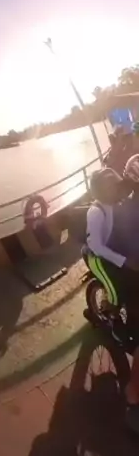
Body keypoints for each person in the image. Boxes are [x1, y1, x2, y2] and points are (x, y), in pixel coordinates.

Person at [85, 166, 139, 430]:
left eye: (115, 184)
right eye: (109, 185)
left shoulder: (117, 203)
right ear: (98, 190)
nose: (115, 188)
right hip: (98, 258)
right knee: (115, 290)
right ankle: (112, 316)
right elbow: (96, 245)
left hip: (115, 254)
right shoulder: (96, 211)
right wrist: (124, 260)